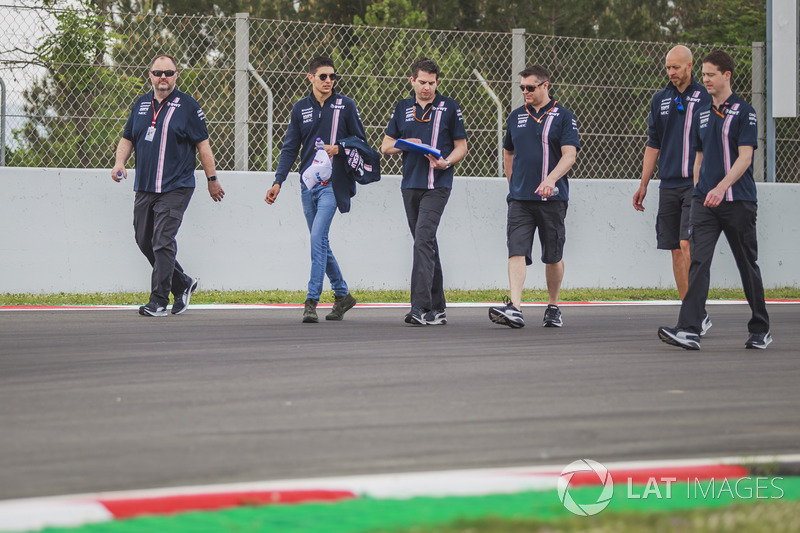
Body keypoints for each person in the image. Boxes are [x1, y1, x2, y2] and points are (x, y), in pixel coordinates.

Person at [658, 50, 771, 350]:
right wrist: (699, 190)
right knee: (698, 263)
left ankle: (760, 328)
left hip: (738, 201)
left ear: (726, 76)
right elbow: (699, 156)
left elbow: (745, 158)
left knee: (747, 265)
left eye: (710, 74)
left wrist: (721, 187)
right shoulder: (703, 112)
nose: (705, 79)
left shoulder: (744, 112)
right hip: (705, 203)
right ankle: (689, 328)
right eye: (704, 75)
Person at [112, 54, 225, 317]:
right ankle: (182, 282)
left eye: (169, 72)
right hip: (145, 186)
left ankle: (159, 300)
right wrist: (119, 163)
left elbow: (203, 145)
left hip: (176, 186)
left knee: (162, 240)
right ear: (149, 75)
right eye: (158, 72)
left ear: (176, 76)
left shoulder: (188, 107)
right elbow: (127, 137)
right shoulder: (140, 105)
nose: (163, 77)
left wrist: (212, 180)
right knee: (144, 240)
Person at [266, 56, 362, 323]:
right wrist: (278, 181)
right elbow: (289, 148)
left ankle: (311, 301)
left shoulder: (346, 106)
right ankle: (343, 295)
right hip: (307, 185)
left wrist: (339, 148)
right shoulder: (300, 109)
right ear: (311, 78)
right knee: (320, 241)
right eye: (323, 77)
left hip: (333, 184)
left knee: (317, 237)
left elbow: (361, 142)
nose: (329, 81)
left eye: (332, 76)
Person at [488, 65, 579, 329]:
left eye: (530, 87)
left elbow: (569, 154)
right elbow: (508, 152)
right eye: (522, 88)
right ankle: (515, 307)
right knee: (516, 250)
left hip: (552, 201)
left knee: (553, 255)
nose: (525, 92)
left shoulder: (563, 116)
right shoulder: (516, 116)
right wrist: (512, 184)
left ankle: (553, 306)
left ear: (545, 86)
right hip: (519, 200)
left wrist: (551, 179)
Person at [381, 57, 467, 326]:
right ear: (412, 81)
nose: (427, 87)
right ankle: (438, 308)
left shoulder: (449, 107)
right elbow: (385, 146)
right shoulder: (402, 107)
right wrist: (406, 144)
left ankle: (419, 307)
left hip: (438, 185)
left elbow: (461, 146)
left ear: (437, 82)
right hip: (410, 185)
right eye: (422, 82)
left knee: (422, 240)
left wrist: (447, 161)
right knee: (426, 243)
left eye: (431, 83)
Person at [633, 45, 713, 336]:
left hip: (696, 185)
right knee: (675, 251)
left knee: (687, 244)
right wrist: (643, 183)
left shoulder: (706, 96)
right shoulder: (660, 99)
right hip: (668, 184)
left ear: (690, 66)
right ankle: (691, 314)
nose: (671, 72)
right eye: (668, 67)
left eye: (676, 67)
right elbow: (653, 143)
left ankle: (695, 312)